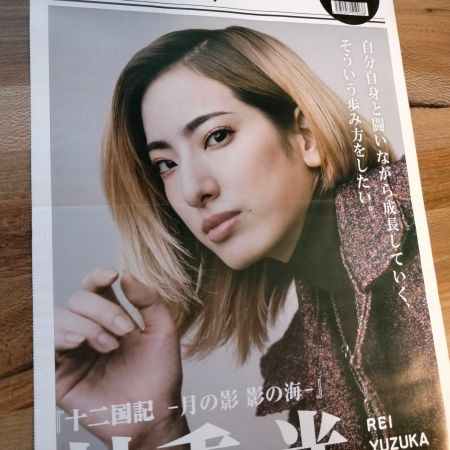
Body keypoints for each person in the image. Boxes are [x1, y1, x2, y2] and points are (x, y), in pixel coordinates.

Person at [54, 27, 447, 449]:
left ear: (307, 136)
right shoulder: (303, 364)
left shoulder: (425, 209)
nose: (192, 190)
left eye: (217, 136)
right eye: (166, 164)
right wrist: (156, 432)